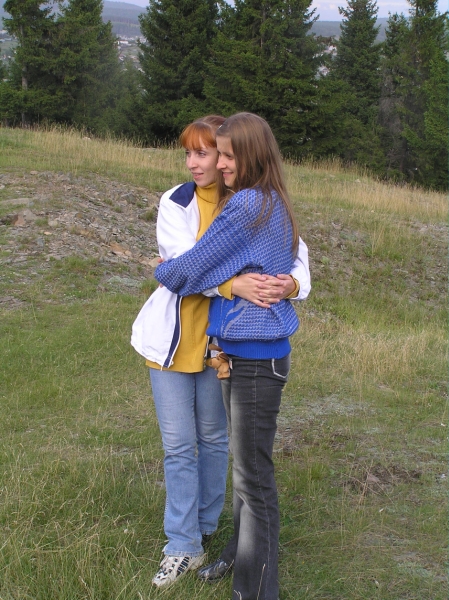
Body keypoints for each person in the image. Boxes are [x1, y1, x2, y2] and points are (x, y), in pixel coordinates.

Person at [131, 115, 310, 589]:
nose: (200, 163)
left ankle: (237, 567)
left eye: (214, 153)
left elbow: (183, 270)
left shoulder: (245, 202)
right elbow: (200, 266)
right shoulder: (195, 201)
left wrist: (289, 283)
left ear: (240, 156)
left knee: (234, 459)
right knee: (202, 452)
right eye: (191, 153)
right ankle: (198, 546)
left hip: (238, 346)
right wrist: (233, 283)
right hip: (204, 340)